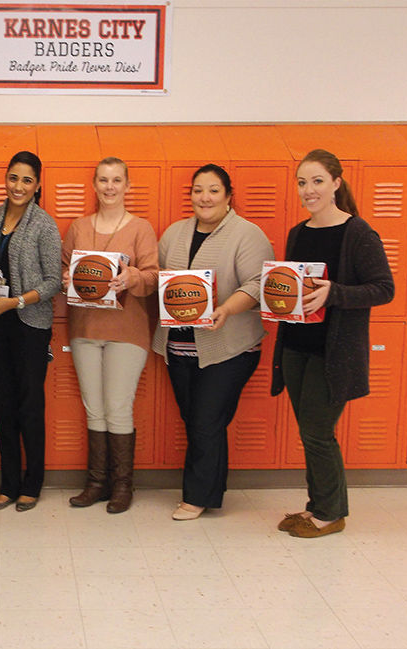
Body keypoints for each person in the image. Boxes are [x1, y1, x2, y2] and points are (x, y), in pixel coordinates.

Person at [272, 149, 394, 538]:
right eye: (303, 182)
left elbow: (384, 289)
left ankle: (330, 513)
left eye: (318, 181)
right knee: (310, 431)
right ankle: (317, 506)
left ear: (336, 184)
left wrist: (334, 293)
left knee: (318, 433)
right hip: (296, 347)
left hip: (333, 353)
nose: (309, 190)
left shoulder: (357, 233)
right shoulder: (298, 232)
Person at [152, 164, 274, 520]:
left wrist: (226, 308)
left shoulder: (247, 234)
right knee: (198, 420)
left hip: (229, 347)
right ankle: (211, 490)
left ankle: (196, 497)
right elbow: (159, 279)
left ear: (228, 195)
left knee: (206, 420)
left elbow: (257, 284)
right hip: (180, 347)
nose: (204, 197)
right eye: (198, 190)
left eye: (213, 190)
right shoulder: (175, 233)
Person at [63, 157, 159, 513]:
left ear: (127, 185)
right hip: (84, 329)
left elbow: (153, 278)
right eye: (103, 180)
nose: (109, 187)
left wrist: (130, 277)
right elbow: (63, 267)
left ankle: (122, 486)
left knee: (118, 407)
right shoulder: (78, 227)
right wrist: (65, 279)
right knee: (94, 409)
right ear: (94, 184)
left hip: (126, 331)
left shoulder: (141, 228)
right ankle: (96, 483)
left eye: (117, 180)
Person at [0, 151, 61, 512]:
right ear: (5, 179)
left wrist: (16, 302)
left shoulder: (44, 224)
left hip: (29, 323)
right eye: (13, 178)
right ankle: (8, 483)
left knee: (29, 404)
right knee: (1, 403)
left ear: (38, 185)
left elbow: (54, 281)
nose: (18, 186)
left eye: (27, 180)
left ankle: (33, 483)